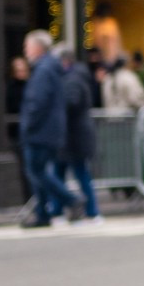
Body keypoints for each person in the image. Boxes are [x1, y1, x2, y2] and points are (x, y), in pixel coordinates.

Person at [18, 30, 71, 229]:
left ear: (38, 48)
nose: (25, 50)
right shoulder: (48, 67)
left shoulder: (43, 70)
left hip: (40, 130)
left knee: (37, 171)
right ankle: (42, 213)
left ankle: (69, 200)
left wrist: (28, 126)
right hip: (49, 129)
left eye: (27, 46)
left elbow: (37, 102)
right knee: (37, 172)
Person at [57, 45, 102, 226]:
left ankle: (89, 210)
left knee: (77, 173)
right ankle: (60, 209)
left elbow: (71, 103)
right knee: (65, 173)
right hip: (73, 136)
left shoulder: (72, 78)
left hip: (73, 136)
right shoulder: (77, 76)